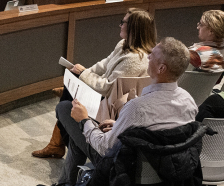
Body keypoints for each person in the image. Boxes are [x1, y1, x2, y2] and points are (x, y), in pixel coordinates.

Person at [35, 37, 197, 186]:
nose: (147, 56)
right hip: (165, 176)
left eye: (152, 55)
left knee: (65, 109)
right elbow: (158, 132)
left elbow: (105, 149)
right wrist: (120, 126)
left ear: (161, 68)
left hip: (127, 171)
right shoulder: (188, 101)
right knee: (79, 133)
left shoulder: (137, 107)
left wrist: (84, 120)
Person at [32, 9, 156, 158]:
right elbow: (104, 64)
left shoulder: (135, 59)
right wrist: (82, 74)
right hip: (105, 96)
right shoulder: (124, 44)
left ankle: (56, 144)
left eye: (123, 22)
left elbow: (107, 89)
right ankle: (57, 141)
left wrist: (84, 75)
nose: (120, 25)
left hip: (110, 105)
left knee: (66, 104)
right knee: (73, 76)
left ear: (133, 28)